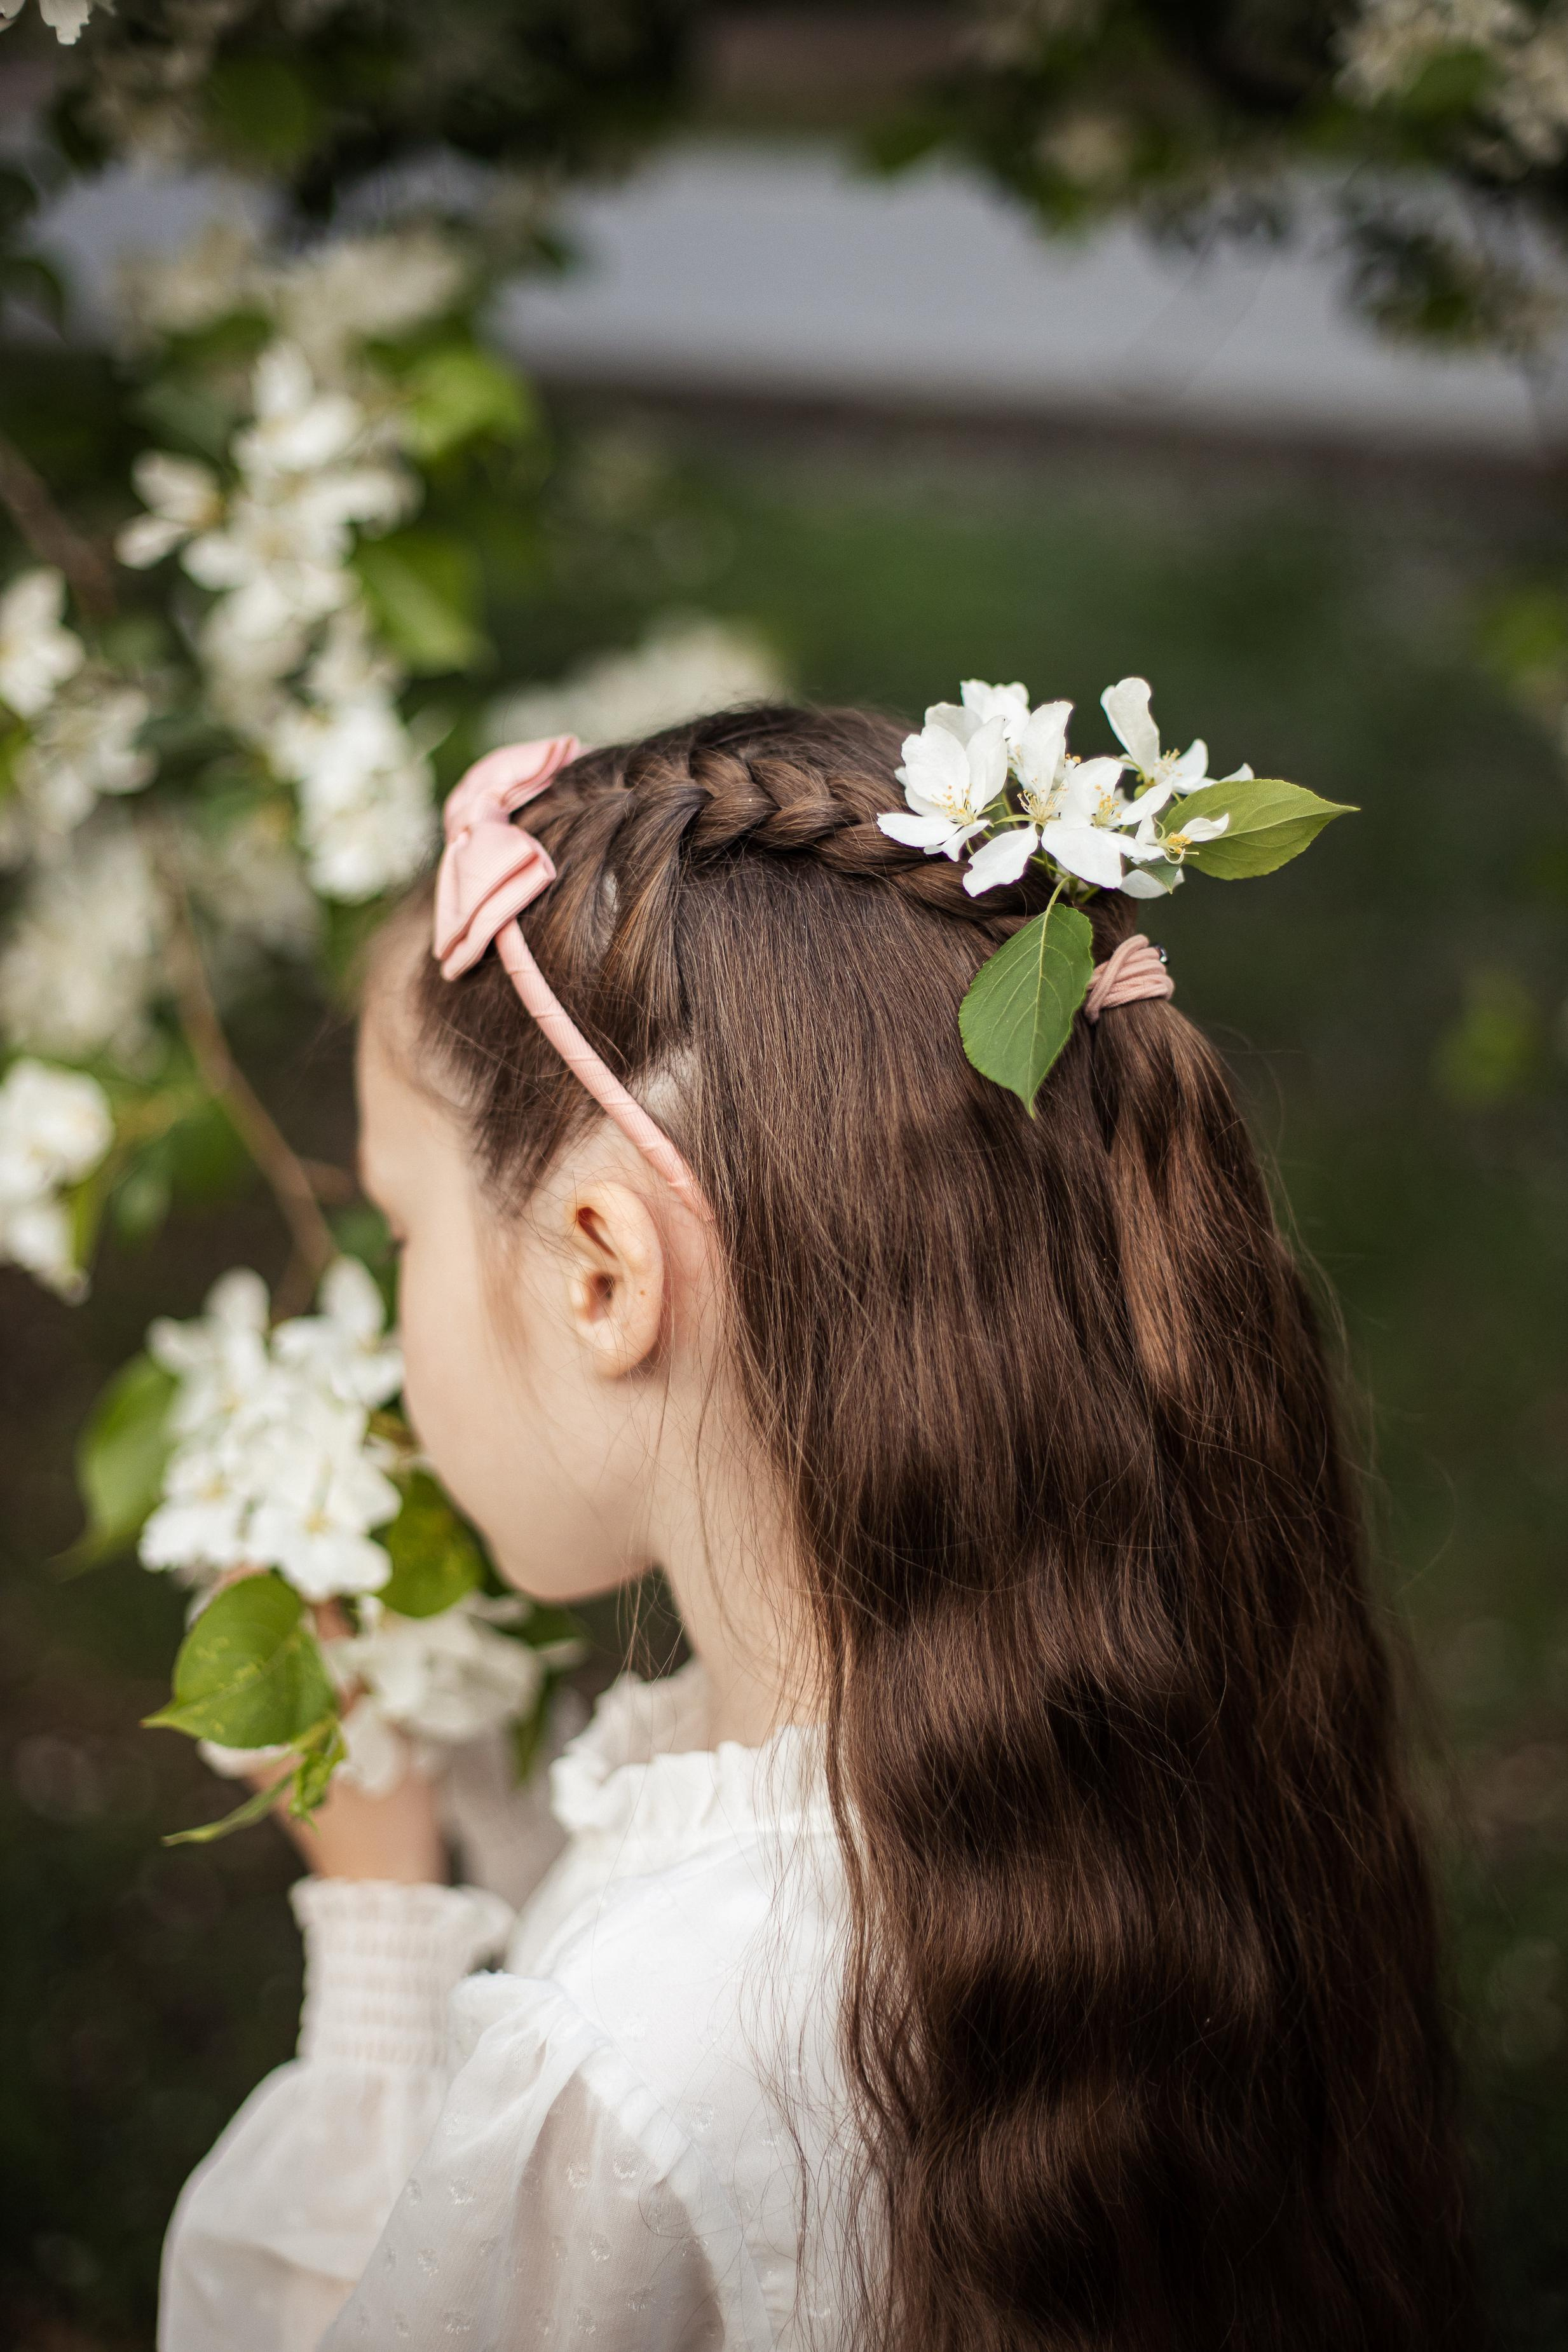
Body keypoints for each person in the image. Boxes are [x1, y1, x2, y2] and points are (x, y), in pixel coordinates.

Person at [158, 701, 1477, 2351]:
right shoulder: (1117, 1735)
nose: (379, 1305)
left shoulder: (632, 2059)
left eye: (401, 1221)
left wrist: (373, 1934)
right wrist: (473, 1820)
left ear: (599, 1272)